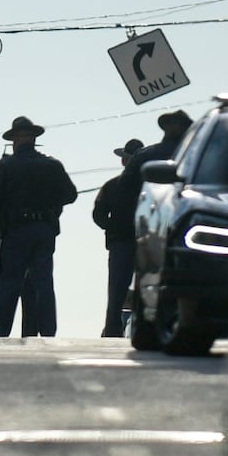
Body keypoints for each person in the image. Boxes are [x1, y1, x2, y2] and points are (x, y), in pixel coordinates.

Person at [0, 116, 78, 337]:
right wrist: (52, 207)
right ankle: (47, 333)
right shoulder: (51, 165)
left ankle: (0, 333)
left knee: (9, 284)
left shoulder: (6, 165)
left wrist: (0, 221)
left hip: (16, 231)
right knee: (43, 283)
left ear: (16, 139)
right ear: (34, 139)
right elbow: (70, 194)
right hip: (43, 231)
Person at [92, 137, 144, 337]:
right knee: (147, 289)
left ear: (124, 161)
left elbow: (98, 214)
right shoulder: (152, 188)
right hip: (145, 244)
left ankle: (113, 332)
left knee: (116, 293)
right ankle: (143, 330)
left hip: (120, 243)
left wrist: (112, 228)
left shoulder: (112, 185)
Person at [121, 108, 193, 192]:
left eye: (179, 124)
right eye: (174, 123)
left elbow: (124, 188)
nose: (176, 127)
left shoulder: (144, 154)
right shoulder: (197, 155)